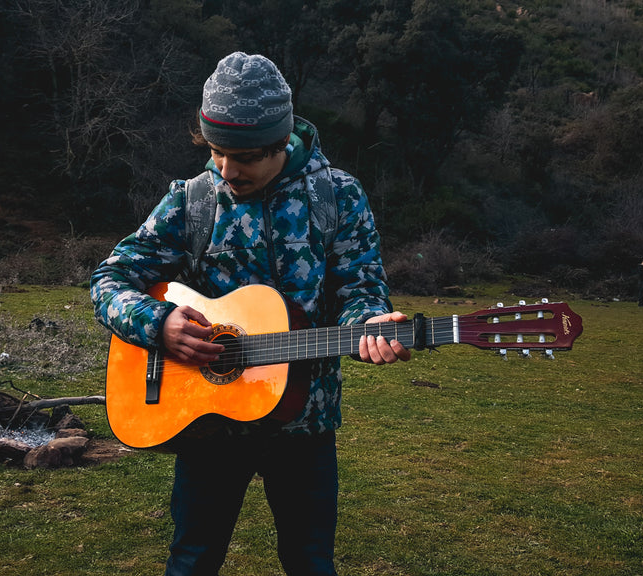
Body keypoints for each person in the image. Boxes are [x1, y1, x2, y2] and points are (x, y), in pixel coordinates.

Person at [91, 52, 410, 576]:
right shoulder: (191, 202)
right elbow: (109, 279)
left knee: (310, 562)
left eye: (243, 158)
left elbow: (361, 288)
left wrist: (370, 321)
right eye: (216, 152)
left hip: (305, 422)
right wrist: (159, 324)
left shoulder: (337, 197)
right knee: (192, 560)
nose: (226, 170)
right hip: (207, 423)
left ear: (280, 143)